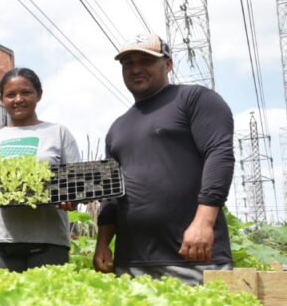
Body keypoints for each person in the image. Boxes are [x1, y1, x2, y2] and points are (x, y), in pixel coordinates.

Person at [93, 34, 235, 285]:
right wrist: (103, 243)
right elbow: (110, 194)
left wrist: (203, 223)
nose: (136, 69)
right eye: (128, 63)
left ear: (167, 64)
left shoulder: (194, 99)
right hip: (132, 263)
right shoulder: (117, 128)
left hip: (193, 257)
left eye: (146, 61)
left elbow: (219, 154)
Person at [0, 67, 81, 271]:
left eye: (26, 92)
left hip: (48, 239)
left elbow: (77, 185)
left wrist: (69, 198)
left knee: (48, 292)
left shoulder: (58, 133)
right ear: (2, 99)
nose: (18, 99)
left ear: (39, 95)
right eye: (11, 94)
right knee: (2, 292)